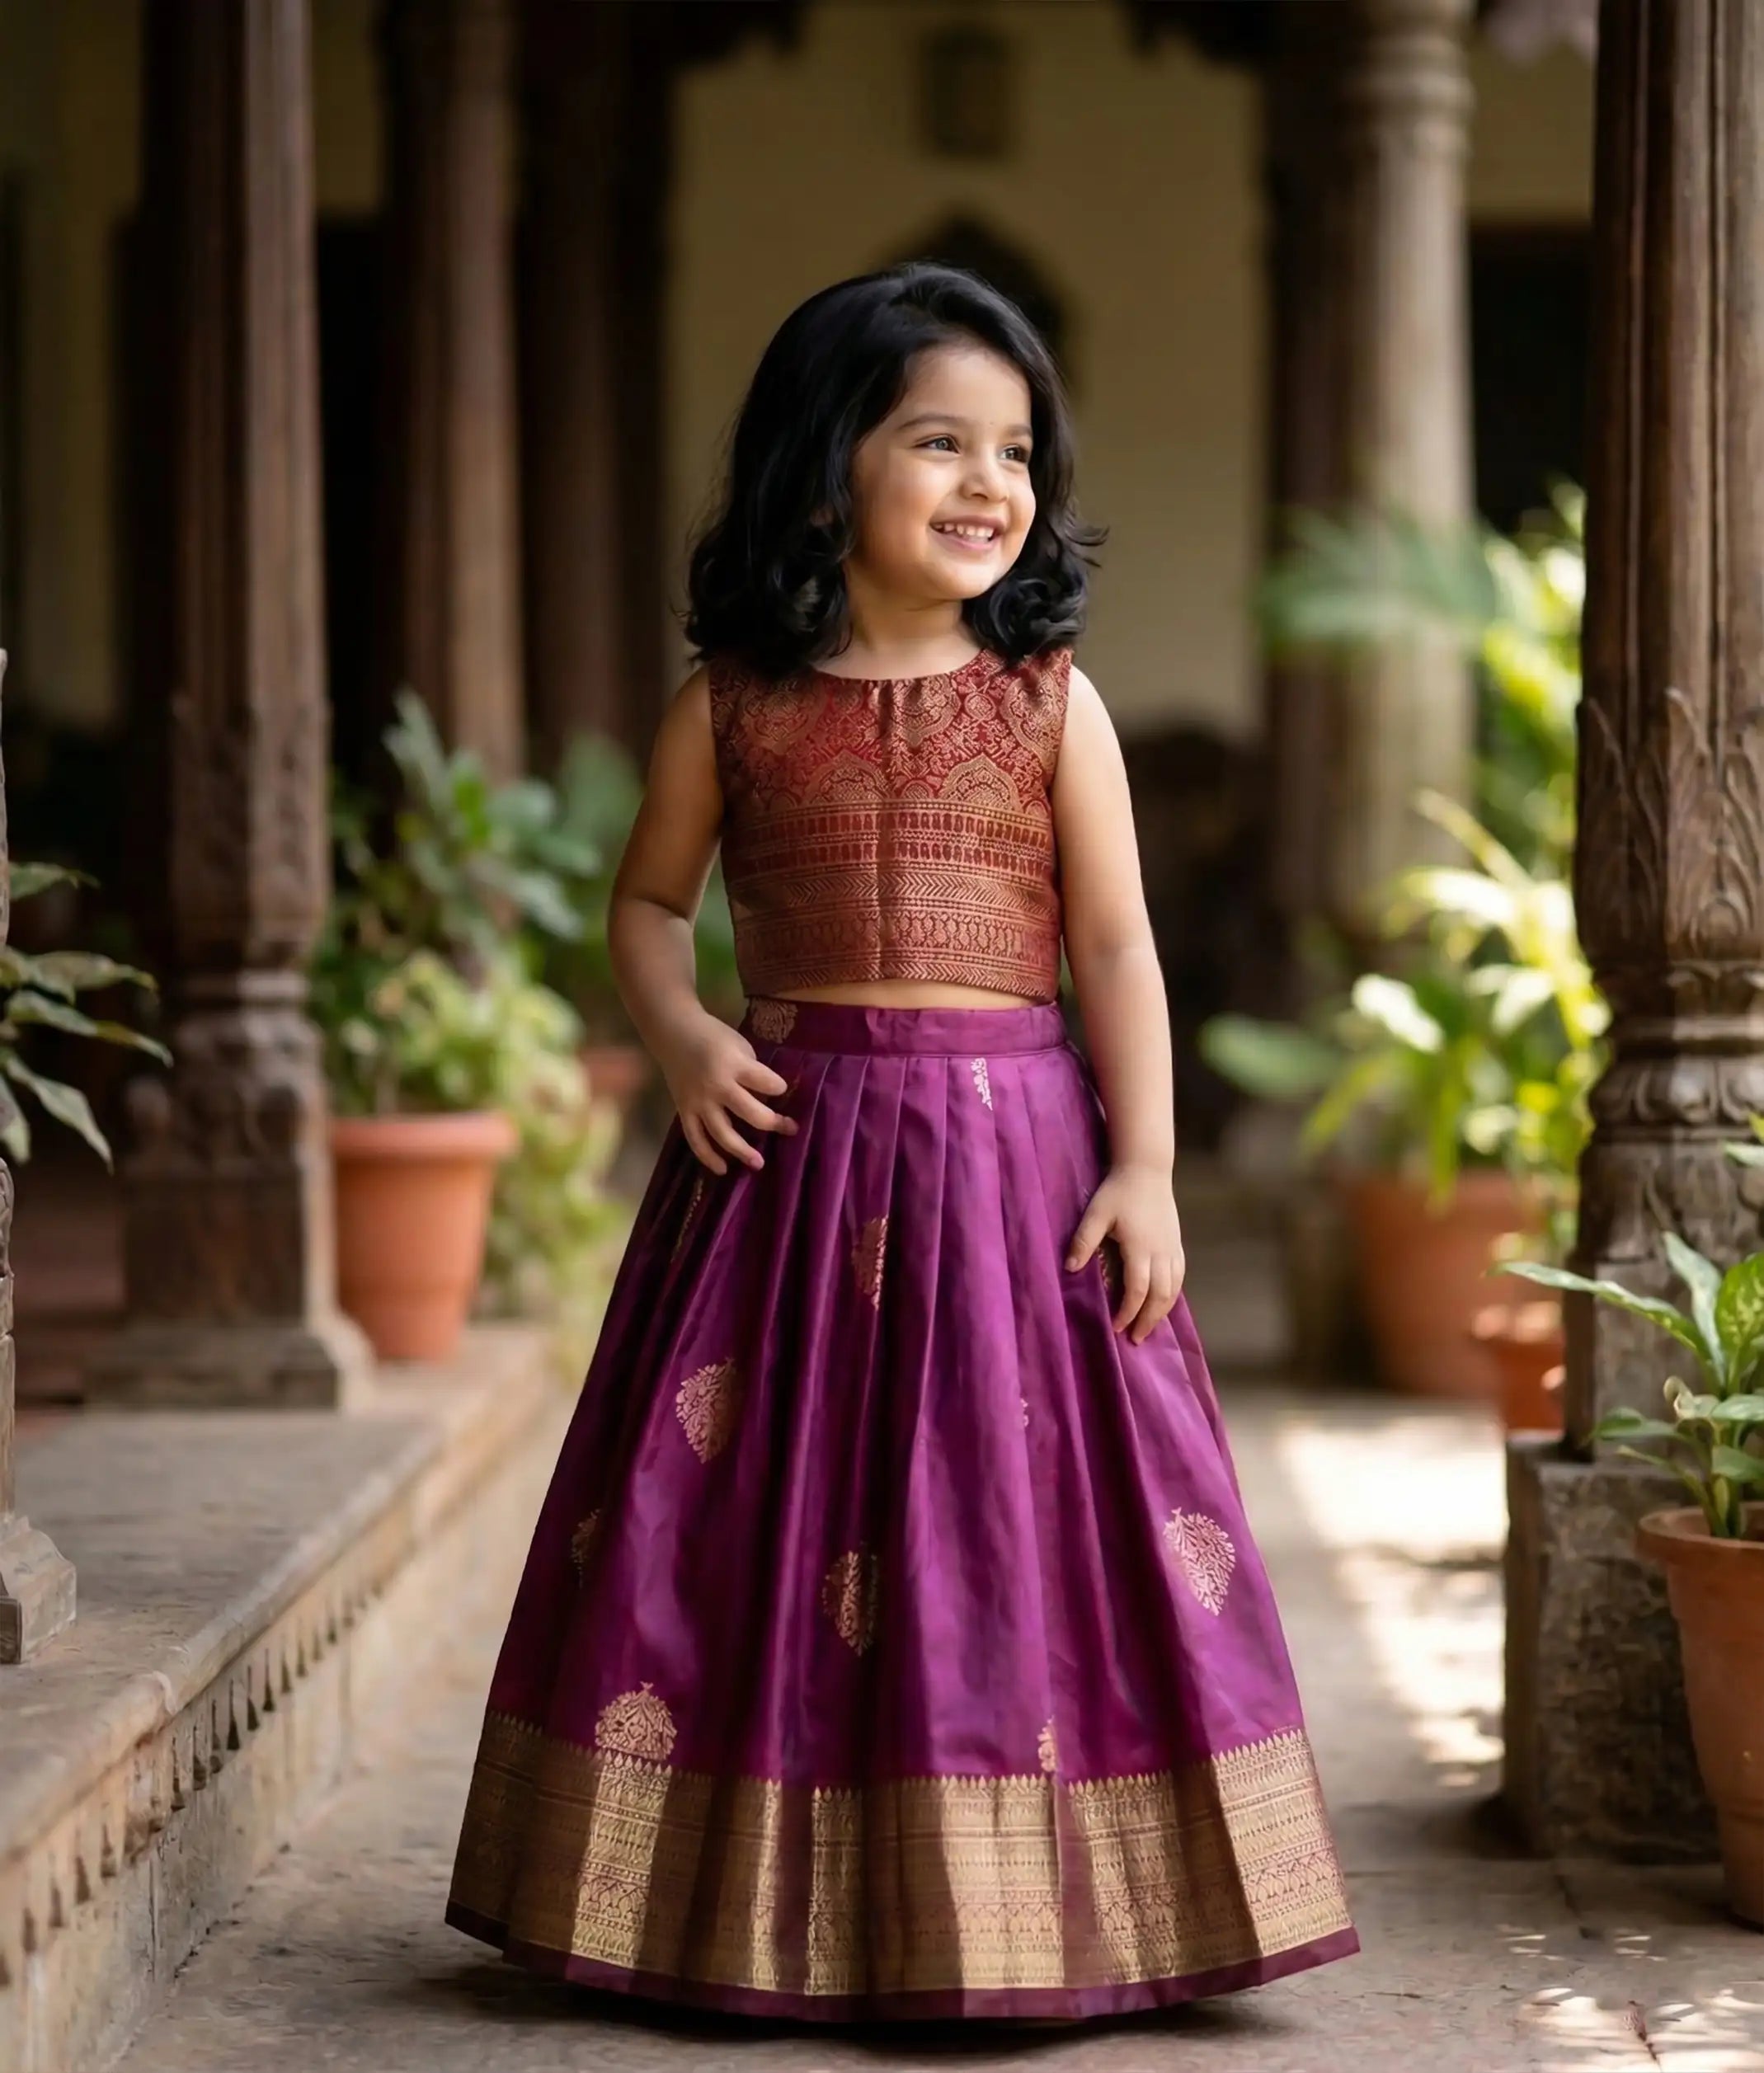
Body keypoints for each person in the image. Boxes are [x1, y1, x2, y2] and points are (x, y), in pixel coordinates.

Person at [446, 262, 1358, 2024]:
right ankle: (730, 1912)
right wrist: (683, 1030)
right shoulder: (735, 700)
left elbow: (1113, 945)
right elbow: (643, 905)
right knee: (749, 1535)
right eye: (935, 439)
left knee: (1006, 1527)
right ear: (821, 469)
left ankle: (1048, 1915)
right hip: (781, 1167)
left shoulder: (1047, 701)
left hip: (1017, 1171)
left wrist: (1147, 1163)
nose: (984, 483)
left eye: (1012, 449)